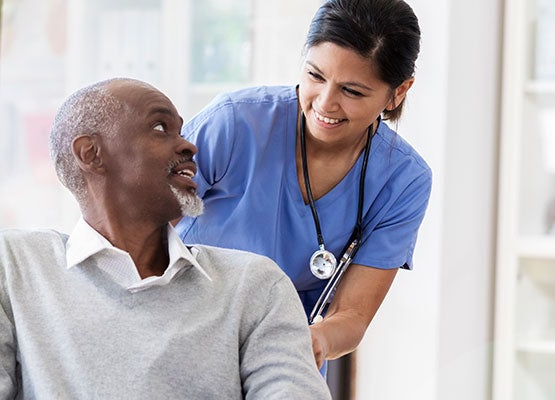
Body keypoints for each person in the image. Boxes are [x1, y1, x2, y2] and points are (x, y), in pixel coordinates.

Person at [0, 78, 331, 399]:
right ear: (91, 154)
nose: (189, 144)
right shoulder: (14, 263)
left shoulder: (254, 284)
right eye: (160, 127)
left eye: (182, 130)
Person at [175, 0, 431, 369]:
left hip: (280, 359)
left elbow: (353, 316)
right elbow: (139, 230)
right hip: (180, 333)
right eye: (315, 75)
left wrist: (310, 341)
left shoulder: (403, 180)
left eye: (353, 92)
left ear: (398, 92)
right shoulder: (234, 124)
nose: (325, 103)